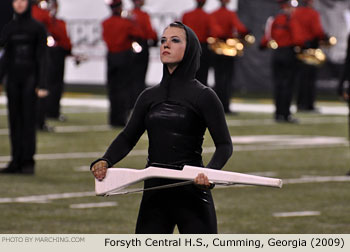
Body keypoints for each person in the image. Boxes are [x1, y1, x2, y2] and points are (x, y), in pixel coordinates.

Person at [91, 22, 233, 234]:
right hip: (154, 190)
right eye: (163, 40)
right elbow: (128, 137)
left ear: (190, 49)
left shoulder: (204, 96)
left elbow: (224, 145)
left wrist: (209, 173)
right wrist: (106, 160)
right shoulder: (148, 96)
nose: (166, 45)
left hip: (191, 191)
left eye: (175, 40)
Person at [0, 0, 47, 174]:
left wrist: (42, 83)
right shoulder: (9, 28)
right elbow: (6, 57)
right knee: (14, 121)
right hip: (12, 79)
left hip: (30, 80)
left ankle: (28, 162)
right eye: (16, 1)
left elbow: (42, 58)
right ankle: (15, 161)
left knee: (28, 121)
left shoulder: (38, 28)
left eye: (22, 1)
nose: (19, 4)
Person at [102, 0, 143, 127]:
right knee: (124, 89)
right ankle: (121, 119)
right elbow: (139, 34)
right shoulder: (126, 23)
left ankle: (113, 119)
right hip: (124, 56)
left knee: (112, 89)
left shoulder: (105, 23)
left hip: (111, 56)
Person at [260, 0, 301, 123]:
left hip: (276, 54)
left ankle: (278, 113)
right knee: (288, 85)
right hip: (288, 54)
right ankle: (286, 114)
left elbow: (266, 39)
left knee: (278, 85)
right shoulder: (291, 19)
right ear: (286, 7)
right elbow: (298, 38)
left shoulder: (274, 19)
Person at [211, 0, 249, 113]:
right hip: (227, 51)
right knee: (227, 79)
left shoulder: (213, 14)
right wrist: (246, 32)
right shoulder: (230, 14)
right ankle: (225, 106)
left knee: (218, 79)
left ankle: (216, 106)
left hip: (215, 50)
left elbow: (213, 30)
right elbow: (240, 28)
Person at [293, 0, 327, 112]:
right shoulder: (312, 13)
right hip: (311, 48)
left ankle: (300, 103)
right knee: (310, 78)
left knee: (301, 78)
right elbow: (317, 31)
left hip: (298, 48)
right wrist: (325, 38)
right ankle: (308, 105)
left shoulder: (295, 12)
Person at [182, 0, 221, 85]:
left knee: (188, 74)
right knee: (202, 77)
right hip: (202, 48)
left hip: (189, 48)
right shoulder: (207, 16)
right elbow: (215, 32)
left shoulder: (186, 15)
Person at [45, 0, 72, 121]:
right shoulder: (45, 20)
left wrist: (69, 51)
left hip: (59, 55)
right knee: (47, 84)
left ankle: (53, 111)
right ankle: (45, 111)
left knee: (57, 85)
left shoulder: (60, 22)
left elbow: (65, 39)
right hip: (49, 55)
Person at [130, 0, 158, 108]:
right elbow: (150, 31)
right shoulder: (144, 15)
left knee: (132, 76)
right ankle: (139, 102)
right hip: (142, 45)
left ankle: (131, 102)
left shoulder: (128, 14)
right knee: (140, 77)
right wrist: (154, 39)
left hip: (131, 46)